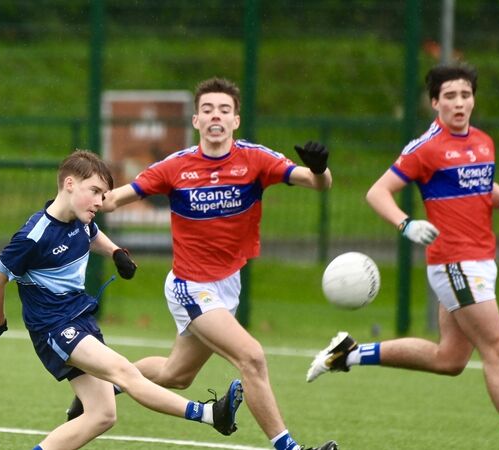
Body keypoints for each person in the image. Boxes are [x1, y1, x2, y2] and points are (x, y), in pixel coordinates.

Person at [66, 78, 338, 450]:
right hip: (191, 286)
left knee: (175, 375)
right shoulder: (175, 167)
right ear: (195, 120)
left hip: (227, 286)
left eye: (224, 110)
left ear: (235, 120)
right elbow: (113, 200)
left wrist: (321, 169)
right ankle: (290, 447)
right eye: (208, 109)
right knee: (252, 357)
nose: (216, 116)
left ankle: (105, 385)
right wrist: (77, 202)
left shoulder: (255, 159)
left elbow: (317, 183)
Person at [307, 63, 499, 450]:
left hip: (482, 259)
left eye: (465, 95)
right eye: (449, 96)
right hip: (456, 264)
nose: (459, 102)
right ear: (435, 102)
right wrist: (406, 224)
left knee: (449, 359)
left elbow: (473, 179)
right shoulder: (426, 147)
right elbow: (377, 192)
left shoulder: (483, 141)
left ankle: (349, 354)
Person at [0, 149, 244, 450]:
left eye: (103, 194)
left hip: (79, 318)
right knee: (125, 372)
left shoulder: (80, 218)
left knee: (102, 415)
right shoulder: (33, 237)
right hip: (54, 327)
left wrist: (116, 252)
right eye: (94, 191)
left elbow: (92, 234)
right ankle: (210, 414)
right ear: (69, 184)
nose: (100, 201)